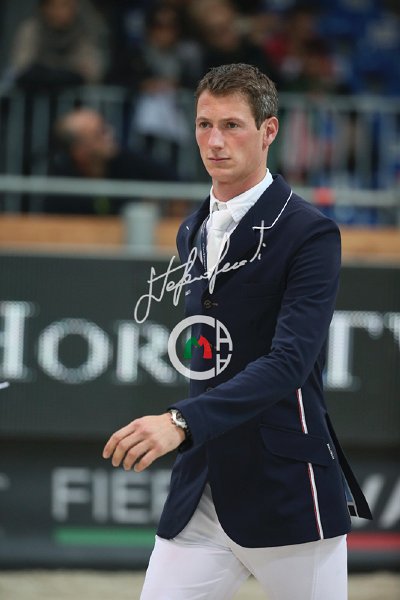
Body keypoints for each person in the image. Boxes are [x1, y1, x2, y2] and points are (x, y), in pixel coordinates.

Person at [103, 63, 372, 599]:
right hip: (201, 486)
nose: (214, 141)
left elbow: (289, 363)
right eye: (204, 125)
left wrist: (180, 421)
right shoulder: (193, 227)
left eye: (231, 126)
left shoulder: (310, 232)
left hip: (286, 487)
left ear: (269, 131)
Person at [45, 107, 178, 214]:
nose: (110, 134)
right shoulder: (60, 183)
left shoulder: (126, 159)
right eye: (100, 133)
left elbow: (178, 184)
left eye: (106, 127)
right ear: (79, 151)